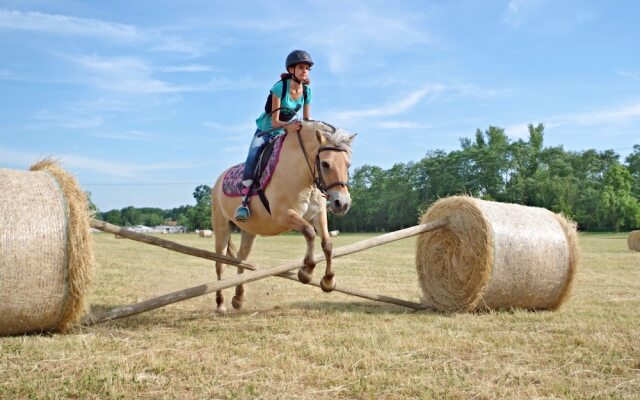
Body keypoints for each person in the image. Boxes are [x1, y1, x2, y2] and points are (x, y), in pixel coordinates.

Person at [234, 50, 314, 222]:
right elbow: (275, 121)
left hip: (287, 131)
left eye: (307, 68)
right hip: (267, 130)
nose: (305, 71)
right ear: (291, 69)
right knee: (252, 158)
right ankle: (244, 203)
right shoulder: (279, 87)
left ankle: (319, 196)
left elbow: (307, 120)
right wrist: (290, 126)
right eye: (301, 67)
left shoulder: (307, 92)